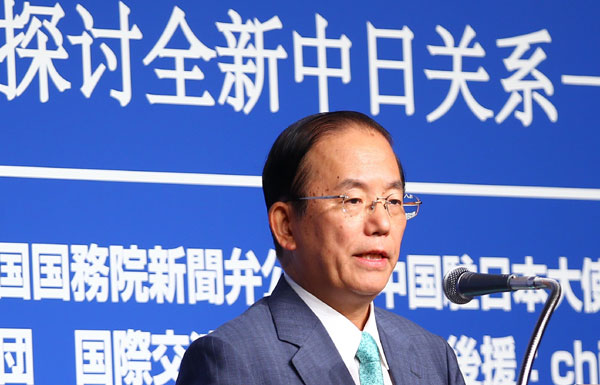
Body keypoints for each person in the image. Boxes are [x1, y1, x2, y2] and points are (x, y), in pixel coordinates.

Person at [176, 111, 465, 385]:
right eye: (353, 200)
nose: (381, 223)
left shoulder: (434, 357)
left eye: (393, 201)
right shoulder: (234, 358)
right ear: (286, 225)